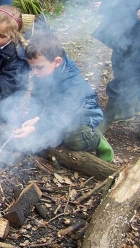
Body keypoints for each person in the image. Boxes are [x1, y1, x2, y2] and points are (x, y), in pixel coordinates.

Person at [12, 32, 114, 162]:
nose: (35, 72)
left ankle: (97, 140)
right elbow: (37, 100)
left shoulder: (73, 84)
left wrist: (36, 127)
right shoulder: (43, 75)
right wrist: (35, 117)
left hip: (81, 118)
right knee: (43, 130)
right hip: (57, 114)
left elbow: (63, 115)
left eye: (39, 68)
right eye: (32, 68)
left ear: (57, 61)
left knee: (73, 139)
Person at [91, 0, 140, 134]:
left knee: (132, 69)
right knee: (121, 62)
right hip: (129, 28)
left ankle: (108, 118)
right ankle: (125, 107)